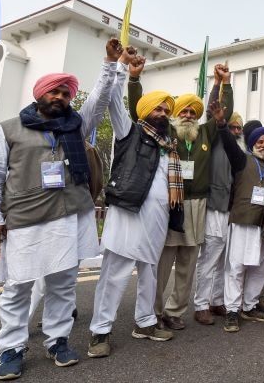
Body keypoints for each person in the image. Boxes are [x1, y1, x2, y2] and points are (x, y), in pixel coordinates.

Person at [0, 39, 118, 379]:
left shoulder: (75, 125)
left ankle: (57, 340)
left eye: (66, 94)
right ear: (40, 94)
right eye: (54, 92)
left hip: (70, 216)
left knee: (63, 284)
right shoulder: (8, 129)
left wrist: (110, 65)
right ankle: (10, 348)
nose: (60, 97)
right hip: (26, 219)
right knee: (18, 286)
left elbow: (98, 103)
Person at [88, 49, 180, 358]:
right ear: (145, 112)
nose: (164, 114)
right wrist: (120, 66)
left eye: (168, 111)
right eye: (159, 110)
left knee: (149, 273)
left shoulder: (171, 146)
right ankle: (100, 331)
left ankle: (145, 322)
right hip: (128, 213)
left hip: (157, 217)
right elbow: (114, 101)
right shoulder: (129, 131)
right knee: (114, 274)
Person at [128, 64, 233, 331]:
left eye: (192, 112)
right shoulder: (167, 132)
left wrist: (225, 84)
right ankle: (154, 310)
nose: (187, 115)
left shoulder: (205, 133)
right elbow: (138, 114)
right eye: (183, 111)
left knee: (188, 261)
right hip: (170, 203)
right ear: (175, 114)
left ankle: (175, 311)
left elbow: (221, 114)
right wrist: (134, 79)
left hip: (198, 204)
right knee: (164, 262)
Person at [220, 124, 264, 332]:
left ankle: (249, 305)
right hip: (243, 220)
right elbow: (228, 144)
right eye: (260, 142)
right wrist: (220, 125)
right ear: (252, 143)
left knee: (261, 267)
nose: (263, 145)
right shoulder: (242, 159)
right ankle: (232, 310)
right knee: (236, 266)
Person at [192, 98, 243, 326]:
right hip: (213, 206)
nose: (236, 131)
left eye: (238, 128)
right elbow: (214, 109)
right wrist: (223, 84)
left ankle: (216, 300)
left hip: (230, 210)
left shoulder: (236, 148)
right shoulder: (213, 141)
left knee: (224, 259)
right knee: (210, 257)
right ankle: (201, 304)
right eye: (232, 127)